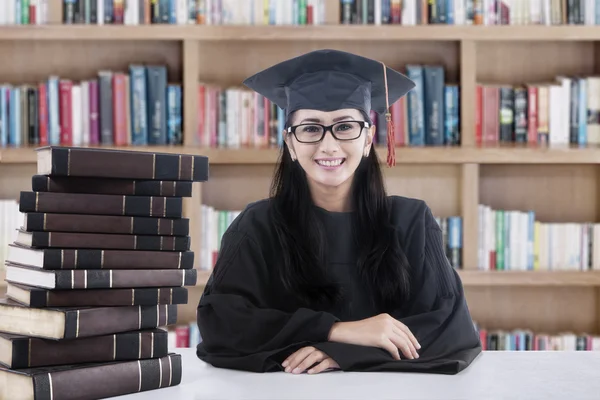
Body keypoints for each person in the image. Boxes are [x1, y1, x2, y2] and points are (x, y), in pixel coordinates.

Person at [195, 49, 482, 375]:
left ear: (368, 138)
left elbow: (451, 329)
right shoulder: (257, 226)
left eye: (345, 127)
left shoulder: (410, 222)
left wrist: (344, 354)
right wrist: (336, 330)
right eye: (310, 128)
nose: (328, 146)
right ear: (289, 143)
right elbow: (220, 322)